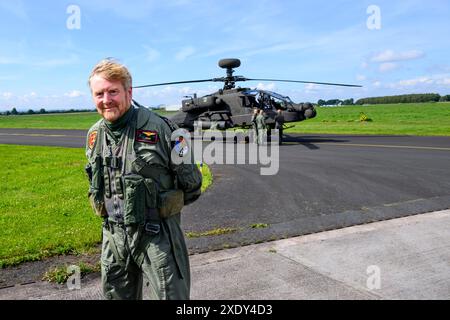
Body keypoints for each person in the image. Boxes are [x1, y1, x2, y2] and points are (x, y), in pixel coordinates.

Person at [84, 58, 202, 300]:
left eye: (113, 91)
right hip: (113, 235)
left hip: (157, 235)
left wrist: (163, 209)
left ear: (129, 92)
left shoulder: (163, 129)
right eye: (99, 93)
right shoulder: (94, 135)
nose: (106, 100)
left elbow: (192, 184)